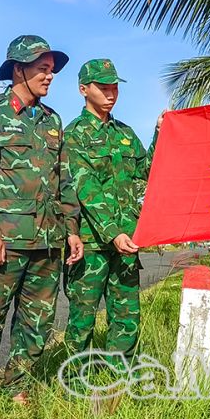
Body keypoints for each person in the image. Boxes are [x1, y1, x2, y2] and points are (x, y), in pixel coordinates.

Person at [0, 35, 84, 413]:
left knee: (37, 323)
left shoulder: (52, 120)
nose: (50, 75)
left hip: (48, 241)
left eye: (52, 69)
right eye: (42, 68)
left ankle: (17, 387)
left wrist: (71, 228)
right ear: (18, 69)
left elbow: (63, 179)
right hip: (6, 240)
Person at [63, 59, 160, 368]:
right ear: (83, 90)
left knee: (126, 317)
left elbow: (148, 172)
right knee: (83, 320)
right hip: (93, 244)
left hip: (127, 241)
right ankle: (73, 382)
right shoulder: (74, 135)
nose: (111, 93)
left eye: (114, 87)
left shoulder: (126, 134)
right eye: (103, 87)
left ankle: (122, 379)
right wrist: (112, 231)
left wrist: (161, 134)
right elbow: (85, 188)